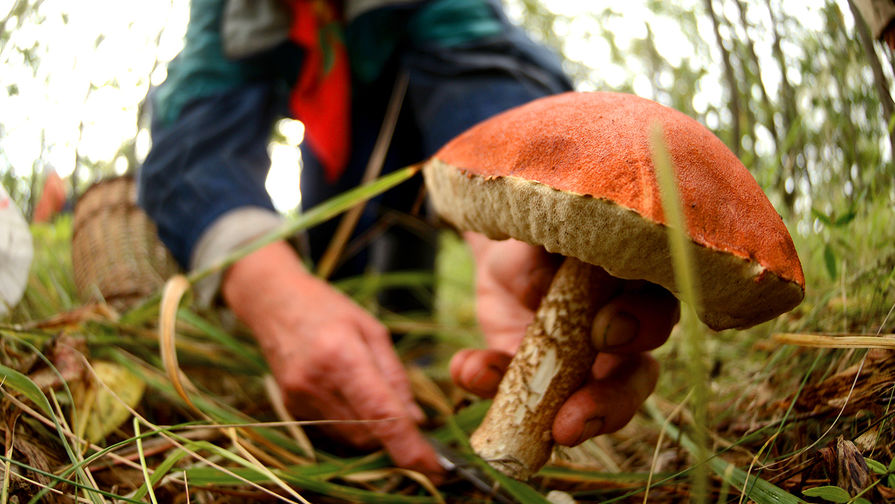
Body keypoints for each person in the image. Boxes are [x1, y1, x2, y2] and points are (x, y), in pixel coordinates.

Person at [138, 0, 680, 481]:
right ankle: (340, 407)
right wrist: (271, 291)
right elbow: (195, 132)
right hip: (329, 154)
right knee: (332, 269)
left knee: (407, 270)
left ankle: (415, 382)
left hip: (420, 146)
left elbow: (481, 66)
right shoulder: (230, 12)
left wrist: (514, 232)